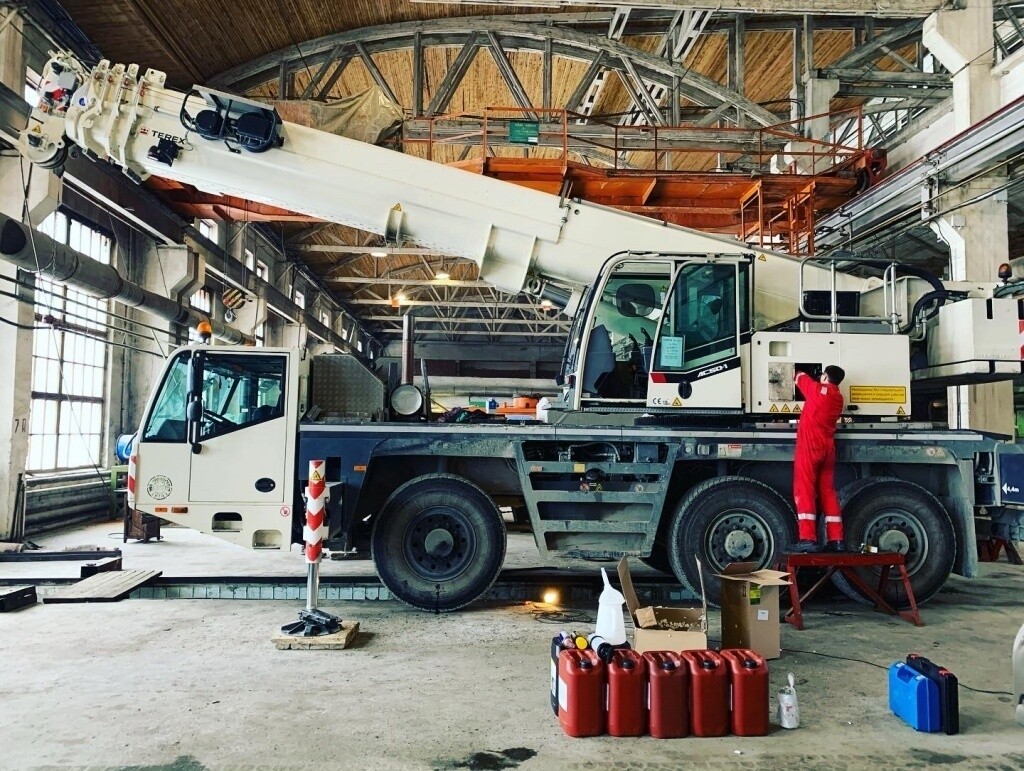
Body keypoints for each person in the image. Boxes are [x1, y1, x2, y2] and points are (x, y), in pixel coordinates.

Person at [788, 365, 846, 554]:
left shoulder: (817, 390)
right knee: (827, 493)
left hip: (810, 448)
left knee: (804, 490)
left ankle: (808, 539)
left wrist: (796, 371)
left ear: (825, 377)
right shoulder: (838, 398)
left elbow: (799, 377)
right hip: (827, 450)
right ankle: (837, 540)